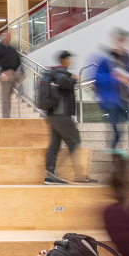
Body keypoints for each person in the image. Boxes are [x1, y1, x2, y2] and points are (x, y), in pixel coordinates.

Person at [43, 51, 94, 185]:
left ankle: (50, 174)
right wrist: (73, 79)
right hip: (61, 114)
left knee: (54, 145)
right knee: (74, 141)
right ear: (63, 60)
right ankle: (79, 174)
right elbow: (63, 82)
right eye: (68, 59)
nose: (70, 62)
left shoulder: (53, 72)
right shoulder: (61, 72)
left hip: (53, 114)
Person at [92, 28, 129, 151]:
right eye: (119, 40)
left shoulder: (127, 58)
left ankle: (114, 151)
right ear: (114, 40)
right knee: (114, 127)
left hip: (123, 98)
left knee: (122, 127)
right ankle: (112, 151)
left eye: (124, 40)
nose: (121, 43)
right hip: (109, 99)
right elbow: (98, 78)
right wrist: (116, 78)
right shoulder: (106, 58)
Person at [0, 30, 23, 119]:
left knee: (9, 97)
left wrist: (20, 74)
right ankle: (6, 117)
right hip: (5, 75)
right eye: (6, 38)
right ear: (3, 38)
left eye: (9, 38)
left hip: (13, 74)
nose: (8, 40)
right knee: (5, 99)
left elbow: (18, 62)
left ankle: (7, 117)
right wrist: (4, 73)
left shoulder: (12, 50)